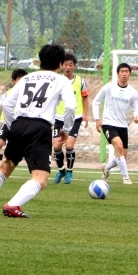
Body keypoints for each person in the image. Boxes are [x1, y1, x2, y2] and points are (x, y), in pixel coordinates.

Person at [0, 44, 76, 218]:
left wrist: (12, 126)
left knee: (5, 166)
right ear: (61, 63)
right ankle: (13, 205)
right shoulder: (62, 80)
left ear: (40, 61)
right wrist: (66, 130)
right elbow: (71, 106)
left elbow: (8, 105)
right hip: (40, 128)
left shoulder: (26, 78)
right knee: (40, 178)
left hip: (18, 124)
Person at [93, 63, 138, 185]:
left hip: (123, 126)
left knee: (123, 155)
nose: (124, 73)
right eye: (122, 71)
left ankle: (107, 168)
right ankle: (126, 178)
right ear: (118, 73)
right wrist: (97, 119)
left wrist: (136, 115)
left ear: (129, 74)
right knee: (118, 146)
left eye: (126, 71)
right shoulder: (109, 88)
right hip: (108, 123)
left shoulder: (133, 92)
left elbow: (135, 108)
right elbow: (96, 102)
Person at [52, 53, 89, 184]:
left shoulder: (80, 81)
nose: (68, 67)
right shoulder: (57, 81)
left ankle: (69, 172)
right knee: (56, 146)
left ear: (74, 66)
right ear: (61, 66)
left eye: (70, 65)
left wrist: (85, 113)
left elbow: (85, 97)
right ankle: (61, 170)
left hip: (75, 118)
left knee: (69, 145)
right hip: (58, 118)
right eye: (65, 64)